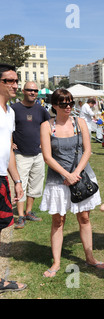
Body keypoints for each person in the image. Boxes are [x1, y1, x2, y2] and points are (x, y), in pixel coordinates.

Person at [39, 89, 104, 278]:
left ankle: (90, 257)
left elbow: (87, 150)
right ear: (54, 106)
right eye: (63, 104)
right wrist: (66, 175)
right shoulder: (46, 126)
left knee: (84, 218)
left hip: (80, 177)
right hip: (57, 180)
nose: (68, 107)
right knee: (58, 221)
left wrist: (75, 173)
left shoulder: (80, 122)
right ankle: (56, 262)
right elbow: (47, 157)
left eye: (71, 103)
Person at [0, 63, 26, 293]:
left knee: (2, 222)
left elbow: (7, 149)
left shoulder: (10, 112)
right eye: (9, 80)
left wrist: (17, 181)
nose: (15, 85)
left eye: (16, 80)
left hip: (1, 178)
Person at [11, 81, 50, 229]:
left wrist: (44, 142)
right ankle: (20, 216)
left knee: (35, 184)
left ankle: (28, 212)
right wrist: (10, 143)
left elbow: (49, 125)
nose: (32, 93)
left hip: (38, 154)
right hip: (21, 154)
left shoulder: (41, 110)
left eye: (35, 90)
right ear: (23, 91)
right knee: (21, 184)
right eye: (29, 90)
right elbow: (7, 128)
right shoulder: (14, 109)